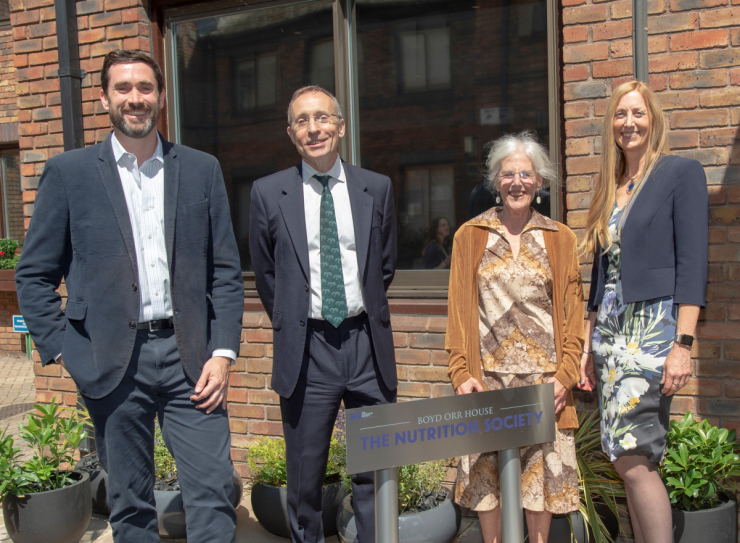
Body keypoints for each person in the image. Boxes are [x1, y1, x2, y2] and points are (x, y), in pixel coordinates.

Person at [15, 50, 244, 543]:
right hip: (113, 365)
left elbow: (224, 272)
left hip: (194, 363)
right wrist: (66, 349)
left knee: (212, 495)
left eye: (145, 87)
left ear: (160, 97)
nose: (135, 98)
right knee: (130, 503)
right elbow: (32, 274)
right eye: (123, 88)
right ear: (104, 99)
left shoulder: (201, 170)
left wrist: (223, 353)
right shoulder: (69, 173)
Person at [249, 85, 397, 543]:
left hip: (366, 347)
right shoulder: (267, 192)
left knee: (374, 472)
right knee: (305, 478)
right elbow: (267, 276)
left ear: (341, 126)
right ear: (291, 133)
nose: (313, 129)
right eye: (302, 121)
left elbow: (384, 266)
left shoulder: (377, 187)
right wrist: (299, 319)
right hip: (308, 350)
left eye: (322, 118)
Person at [579, 81, 708, 543]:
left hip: (651, 335)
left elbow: (693, 266)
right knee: (621, 456)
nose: (628, 123)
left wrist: (683, 346)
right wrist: (587, 343)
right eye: (619, 114)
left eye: (637, 113)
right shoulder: (611, 187)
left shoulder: (679, 174)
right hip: (610, 338)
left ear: (653, 119)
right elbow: (600, 275)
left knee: (635, 456)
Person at [446, 131, 584, 543]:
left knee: (539, 488)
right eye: (508, 174)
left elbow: (574, 317)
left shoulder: (561, 239)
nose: (517, 182)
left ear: (539, 182)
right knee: (489, 490)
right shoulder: (470, 236)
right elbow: (457, 314)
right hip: (487, 385)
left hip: (545, 388)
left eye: (526, 174)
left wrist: (565, 376)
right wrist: (460, 374)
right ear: (496, 181)